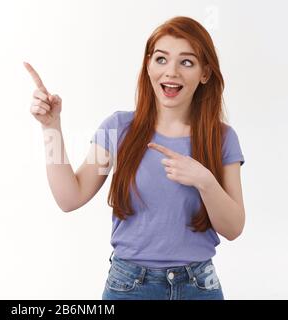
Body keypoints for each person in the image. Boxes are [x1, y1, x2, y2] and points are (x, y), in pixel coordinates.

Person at [24, 16, 245, 300]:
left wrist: (205, 182)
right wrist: (50, 128)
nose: (172, 72)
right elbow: (70, 198)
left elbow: (234, 228)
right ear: (148, 65)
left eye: (186, 62)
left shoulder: (222, 138)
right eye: (161, 59)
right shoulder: (119, 129)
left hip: (199, 286)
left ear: (204, 73)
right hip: (130, 286)